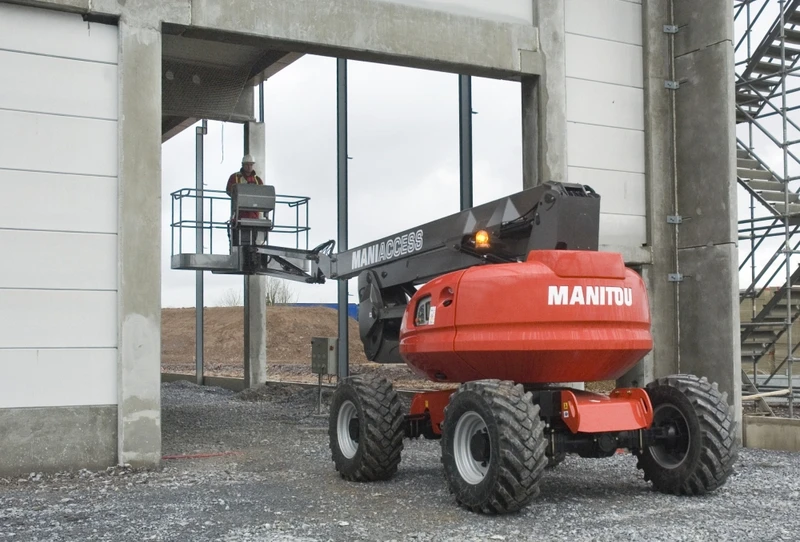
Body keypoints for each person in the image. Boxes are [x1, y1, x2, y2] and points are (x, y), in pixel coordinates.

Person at [226, 154, 264, 220]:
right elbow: (229, 190)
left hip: (254, 215)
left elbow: (263, 194)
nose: (249, 167)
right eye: (247, 164)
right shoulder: (234, 177)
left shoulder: (258, 180)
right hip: (239, 214)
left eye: (251, 165)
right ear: (242, 164)